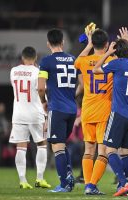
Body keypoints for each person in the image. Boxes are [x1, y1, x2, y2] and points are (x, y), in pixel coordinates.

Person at [93, 39, 128, 197]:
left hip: (118, 113)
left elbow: (96, 69)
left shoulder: (117, 64)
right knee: (125, 152)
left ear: (117, 52)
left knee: (108, 150)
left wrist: (107, 53)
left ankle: (124, 182)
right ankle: (124, 187)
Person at [75, 29, 115, 195]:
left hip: (87, 111)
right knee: (103, 152)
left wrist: (89, 43)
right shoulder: (112, 61)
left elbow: (76, 61)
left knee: (88, 150)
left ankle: (88, 185)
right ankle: (91, 184)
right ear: (107, 45)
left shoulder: (83, 61)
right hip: (104, 111)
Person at [38, 29, 78, 192]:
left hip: (57, 108)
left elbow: (40, 88)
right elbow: (81, 85)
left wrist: (43, 102)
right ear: (62, 42)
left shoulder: (46, 61)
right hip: (72, 108)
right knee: (62, 144)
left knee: (57, 147)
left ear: (48, 43)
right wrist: (70, 96)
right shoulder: (73, 59)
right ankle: (69, 177)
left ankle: (64, 184)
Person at [9, 46, 51, 189]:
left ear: (22, 57)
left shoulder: (13, 71)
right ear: (35, 58)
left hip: (19, 113)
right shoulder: (38, 71)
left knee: (21, 147)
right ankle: (39, 179)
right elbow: (41, 89)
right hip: (36, 113)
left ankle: (23, 181)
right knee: (42, 144)